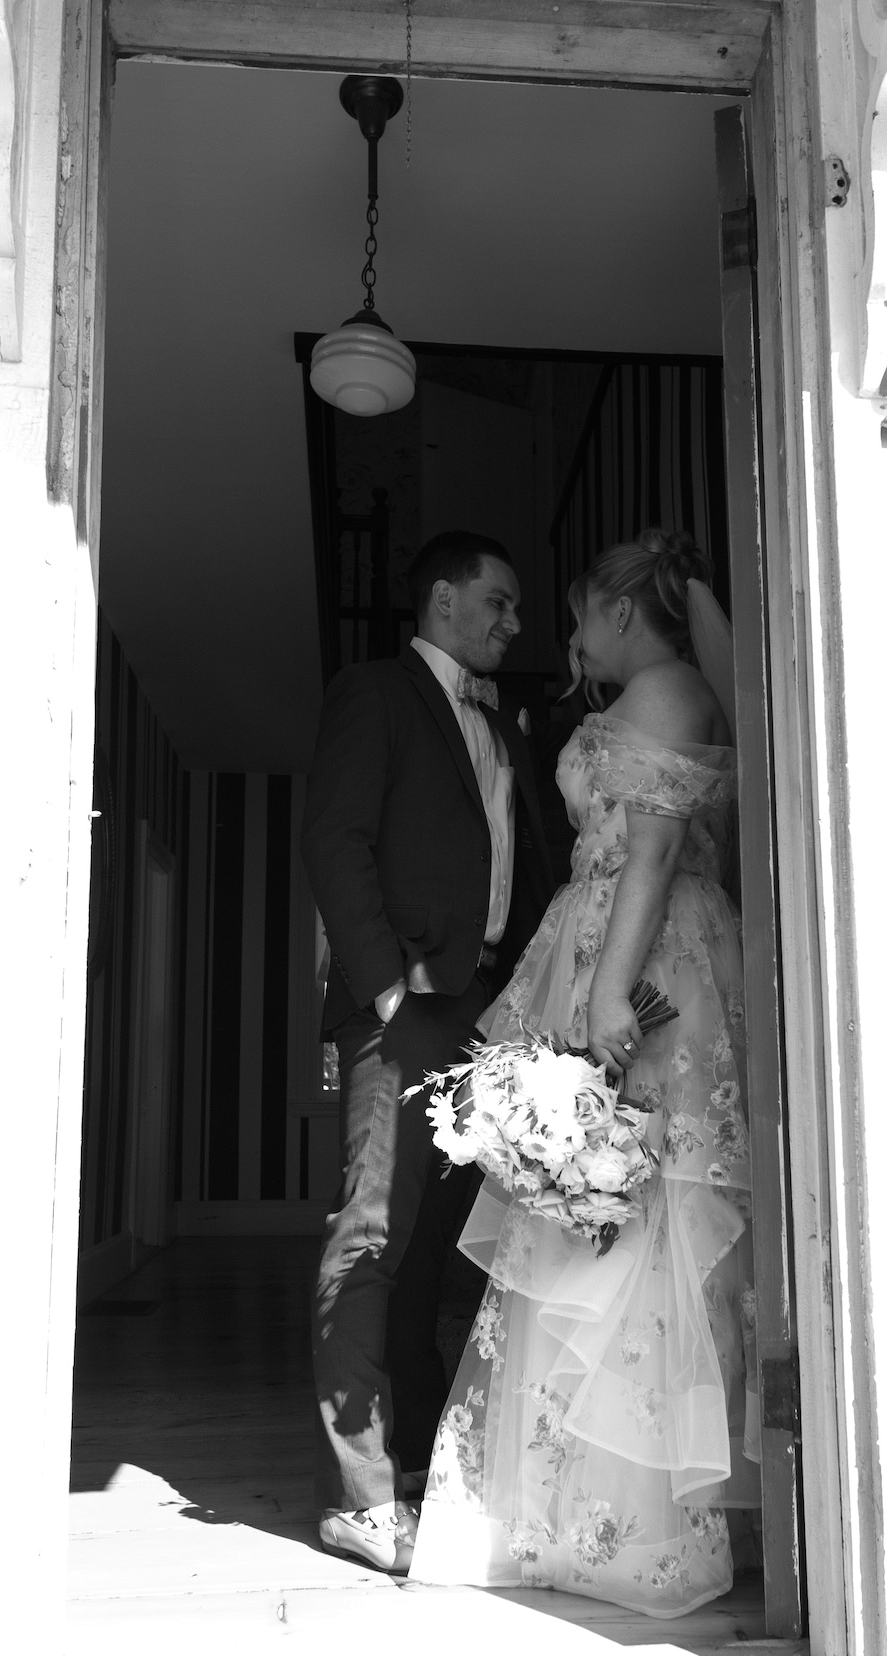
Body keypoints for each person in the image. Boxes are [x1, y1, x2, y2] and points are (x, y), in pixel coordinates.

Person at [409, 528, 761, 1617]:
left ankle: (626, 1519)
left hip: (641, 971)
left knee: (627, 1216)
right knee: (582, 1208)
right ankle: (566, 1508)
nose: (567, 644)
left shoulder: (664, 691)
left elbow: (650, 853)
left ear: (619, 612)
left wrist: (608, 995)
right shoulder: (659, 689)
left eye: (574, 620)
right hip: (602, 950)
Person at [301, 530, 554, 1573]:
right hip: (404, 1009)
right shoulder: (374, 692)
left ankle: (407, 1461)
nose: (511, 623)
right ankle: (357, 1499)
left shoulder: (506, 724)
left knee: (433, 1246)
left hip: (490, 1010)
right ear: (443, 601)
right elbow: (334, 840)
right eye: (496, 602)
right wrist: (383, 990)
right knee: (368, 1234)